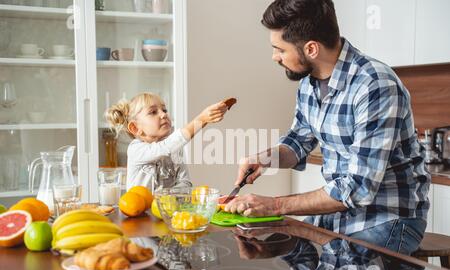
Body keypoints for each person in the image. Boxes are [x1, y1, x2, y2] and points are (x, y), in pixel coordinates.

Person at [225, 0, 430, 255]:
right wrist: (264, 159)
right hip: (337, 216)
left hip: (386, 219)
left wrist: (275, 205)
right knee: (283, 261)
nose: (274, 57)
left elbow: (358, 189)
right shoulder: (309, 83)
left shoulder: (375, 85)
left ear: (311, 48)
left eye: (279, 49)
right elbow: (299, 141)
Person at [105, 92, 236, 192]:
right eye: (153, 112)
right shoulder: (135, 149)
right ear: (135, 128)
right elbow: (164, 148)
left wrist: (169, 198)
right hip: (140, 218)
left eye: (164, 110)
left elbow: (185, 182)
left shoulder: (175, 149)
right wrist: (201, 119)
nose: (163, 114)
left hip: (168, 214)